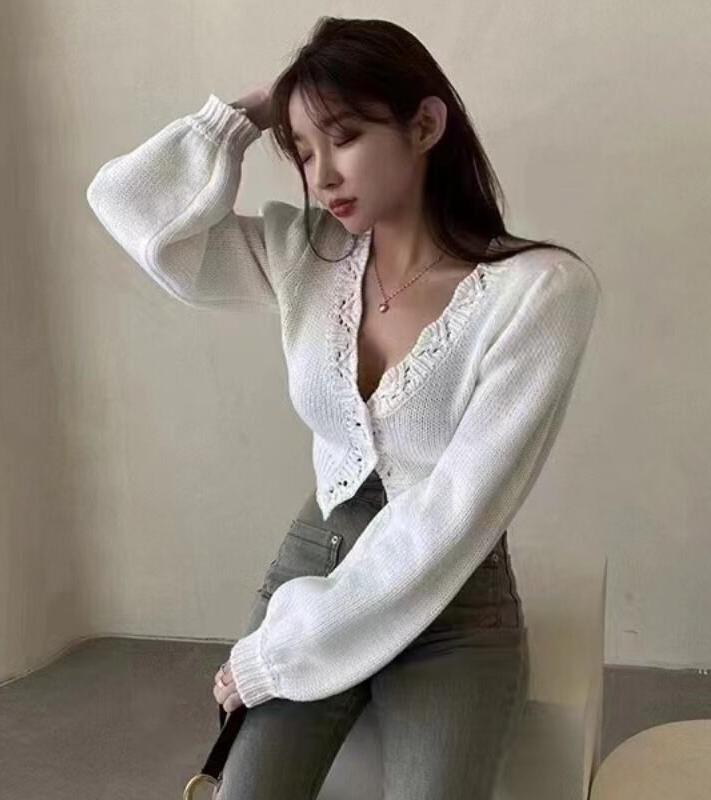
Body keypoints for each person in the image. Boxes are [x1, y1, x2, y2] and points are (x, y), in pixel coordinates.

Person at [86, 15, 600, 800]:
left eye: (346, 136)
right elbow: (127, 206)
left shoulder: (540, 293)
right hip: (317, 554)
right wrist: (248, 115)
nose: (322, 175)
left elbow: (455, 510)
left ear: (425, 125)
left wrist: (277, 653)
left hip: (452, 604)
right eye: (301, 152)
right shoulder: (307, 253)